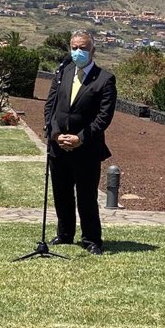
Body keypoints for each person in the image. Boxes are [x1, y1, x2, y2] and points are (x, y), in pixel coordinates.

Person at [44, 30, 117, 255]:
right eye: (74, 47)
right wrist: (56, 135)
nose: (78, 52)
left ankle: (91, 239)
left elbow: (103, 117)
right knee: (62, 193)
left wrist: (80, 138)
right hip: (59, 147)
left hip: (86, 149)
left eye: (83, 48)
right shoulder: (62, 73)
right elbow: (50, 107)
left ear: (92, 50)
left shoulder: (105, 79)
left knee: (86, 196)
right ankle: (65, 234)